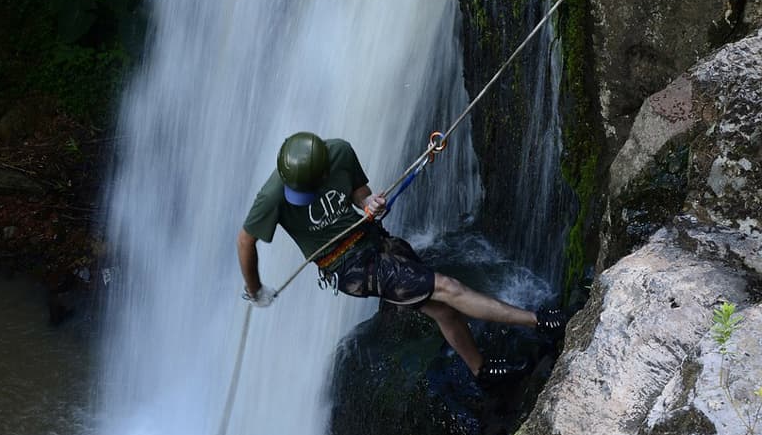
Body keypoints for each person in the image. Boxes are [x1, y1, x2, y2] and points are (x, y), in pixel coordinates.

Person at [237, 132, 565, 387]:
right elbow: (245, 240)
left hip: (375, 241)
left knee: (441, 307)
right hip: (348, 267)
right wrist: (256, 290)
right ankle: (539, 321)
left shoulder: (339, 152)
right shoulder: (273, 195)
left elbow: (359, 192)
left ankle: (481, 372)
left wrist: (370, 203)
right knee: (448, 287)